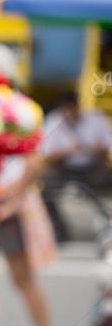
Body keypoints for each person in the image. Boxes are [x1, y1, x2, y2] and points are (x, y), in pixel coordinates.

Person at [0, 152, 58, 326]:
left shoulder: (14, 121)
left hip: (11, 208)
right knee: (22, 281)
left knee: (25, 280)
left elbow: (33, 160)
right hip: (2, 202)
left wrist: (14, 199)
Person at [39, 93, 112, 242]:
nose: (69, 113)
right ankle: (59, 229)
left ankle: (107, 224)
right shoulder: (54, 121)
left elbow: (107, 147)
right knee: (44, 186)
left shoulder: (95, 119)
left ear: (78, 107)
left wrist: (96, 150)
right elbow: (45, 155)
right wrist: (66, 152)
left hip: (92, 167)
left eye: (72, 108)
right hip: (63, 168)